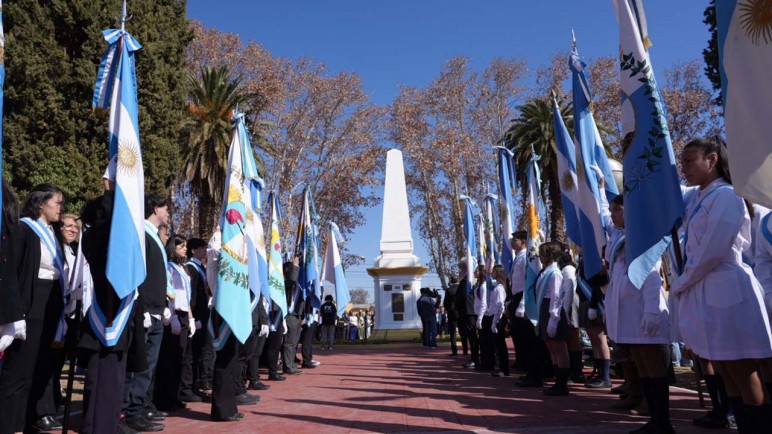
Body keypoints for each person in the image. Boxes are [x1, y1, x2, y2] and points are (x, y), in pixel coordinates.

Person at [672, 137, 772, 432]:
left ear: (712, 159)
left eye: (689, 161)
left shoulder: (727, 195)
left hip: (728, 289)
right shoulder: (699, 197)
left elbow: (713, 250)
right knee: (725, 371)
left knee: (743, 371)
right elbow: (666, 192)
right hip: (707, 290)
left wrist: (683, 281)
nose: (684, 168)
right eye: (682, 163)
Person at [602, 192, 674, 433]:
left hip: (644, 308)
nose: (613, 215)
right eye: (612, 211)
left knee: (652, 364)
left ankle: (663, 421)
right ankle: (654, 419)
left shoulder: (643, 235)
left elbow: (652, 273)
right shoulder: (620, 237)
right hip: (628, 311)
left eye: (618, 210)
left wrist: (652, 308)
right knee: (641, 364)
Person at [0, 184, 67, 433]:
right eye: (57, 202)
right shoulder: (23, 228)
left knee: (42, 367)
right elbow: (11, 272)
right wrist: (14, 312)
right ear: (40, 204)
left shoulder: (53, 233)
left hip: (51, 302)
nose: (61, 208)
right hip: (31, 302)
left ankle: (31, 419)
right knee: (20, 370)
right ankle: (9, 426)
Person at [77, 192, 146, 434]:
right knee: (103, 382)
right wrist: (116, 190)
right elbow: (108, 232)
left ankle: (107, 425)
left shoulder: (107, 235)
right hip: (106, 313)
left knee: (114, 382)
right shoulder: (95, 235)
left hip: (118, 311)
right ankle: (98, 427)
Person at [122, 193, 170, 432]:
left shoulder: (154, 237)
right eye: (165, 208)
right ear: (155, 209)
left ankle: (137, 409)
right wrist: (143, 307)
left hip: (156, 310)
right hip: (144, 310)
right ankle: (126, 411)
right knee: (136, 366)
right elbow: (139, 273)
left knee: (147, 366)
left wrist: (163, 305)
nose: (168, 213)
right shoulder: (142, 234)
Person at [154, 235, 196, 412]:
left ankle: (174, 396)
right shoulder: (169, 267)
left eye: (186, 246)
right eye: (181, 246)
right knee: (169, 360)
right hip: (174, 314)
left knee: (180, 358)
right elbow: (170, 293)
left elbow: (187, 296)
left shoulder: (183, 268)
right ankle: (164, 398)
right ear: (173, 247)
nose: (185, 248)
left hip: (184, 314)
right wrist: (173, 318)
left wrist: (191, 318)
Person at [536, 241, 571, 396]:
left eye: (542, 254)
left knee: (559, 347)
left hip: (553, 311)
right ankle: (557, 381)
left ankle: (562, 384)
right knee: (551, 347)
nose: (540, 257)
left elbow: (556, 297)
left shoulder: (555, 273)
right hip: (544, 309)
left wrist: (553, 320)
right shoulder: (545, 271)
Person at [182, 237, 213, 398]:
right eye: (202, 248)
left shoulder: (202, 267)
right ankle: (187, 387)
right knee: (191, 354)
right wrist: (193, 317)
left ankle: (198, 383)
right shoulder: (191, 268)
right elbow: (191, 295)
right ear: (193, 250)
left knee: (202, 351)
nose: (205, 251)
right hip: (196, 316)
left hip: (205, 315)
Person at [454, 258, 479, 369]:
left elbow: (463, 295)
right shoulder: (467, 278)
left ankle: (475, 359)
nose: (461, 269)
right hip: (468, 310)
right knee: (471, 336)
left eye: (461, 267)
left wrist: (456, 305)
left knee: (472, 336)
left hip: (469, 311)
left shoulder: (468, 279)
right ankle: (474, 358)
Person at [282, 258, 303, 375]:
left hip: (296, 316)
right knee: (289, 343)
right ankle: (288, 366)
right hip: (290, 316)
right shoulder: (286, 282)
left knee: (294, 342)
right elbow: (292, 278)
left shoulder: (296, 285)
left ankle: (291, 363)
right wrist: (295, 265)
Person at [489, 265, 509, 377]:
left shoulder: (499, 288)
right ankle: (501, 366)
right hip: (495, 316)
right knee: (497, 344)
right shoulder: (497, 287)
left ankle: (504, 368)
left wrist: (495, 321)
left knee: (500, 344)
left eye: (493, 271)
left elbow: (500, 306)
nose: (491, 273)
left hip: (498, 317)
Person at [443, 276, 463, 357]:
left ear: (451, 281)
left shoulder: (449, 290)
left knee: (453, 333)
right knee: (463, 332)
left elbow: (445, 303)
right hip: (461, 313)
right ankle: (465, 350)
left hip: (452, 313)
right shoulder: (462, 288)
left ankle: (454, 352)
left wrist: (449, 310)